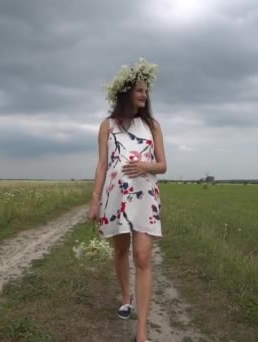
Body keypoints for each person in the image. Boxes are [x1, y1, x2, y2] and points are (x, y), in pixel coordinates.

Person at [88, 58, 167, 342]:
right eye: (139, 90)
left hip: (145, 196)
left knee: (143, 256)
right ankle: (125, 297)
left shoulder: (153, 126)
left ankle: (142, 332)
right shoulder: (107, 125)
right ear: (125, 93)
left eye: (146, 91)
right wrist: (95, 200)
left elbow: (163, 165)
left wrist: (145, 166)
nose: (145, 95)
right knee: (121, 250)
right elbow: (101, 165)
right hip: (115, 197)